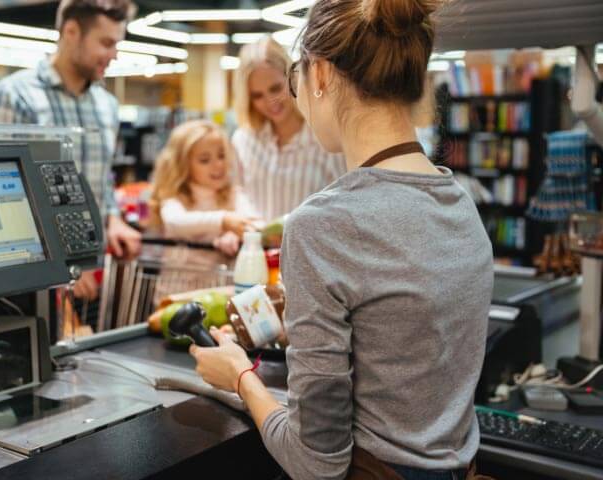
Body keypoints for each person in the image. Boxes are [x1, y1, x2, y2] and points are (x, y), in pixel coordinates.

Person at [190, 1, 494, 480]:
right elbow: (403, 346)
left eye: (295, 76)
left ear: (322, 74)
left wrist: (241, 378)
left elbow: (317, 462)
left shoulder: (320, 225)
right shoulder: (461, 205)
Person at [0, 0, 141, 301]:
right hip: (28, 279)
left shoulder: (106, 106)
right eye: (106, 43)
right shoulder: (16, 97)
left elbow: (100, 178)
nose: (114, 55)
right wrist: (60, 264)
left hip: (90, 274)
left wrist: (112, 218)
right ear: (71, 31)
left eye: (117, 45)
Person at [232, 37, 347, 222]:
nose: (270, 102)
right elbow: (235, 190)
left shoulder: (325, 139)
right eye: (257, 95)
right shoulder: (243, 140)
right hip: (255, 249)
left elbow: (345, 202)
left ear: (293, 78)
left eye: (276, 88)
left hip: (310, 248)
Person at [149, 120, 259, 257]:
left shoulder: (233, 195)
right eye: (204, 160)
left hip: (222, 278)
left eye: (221, 155)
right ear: (183, 165)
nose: (218, 165)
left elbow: (255, 224)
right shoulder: (175, 197)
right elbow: (174, 222)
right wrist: (224, 221)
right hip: (178, 278)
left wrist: (235, 234)